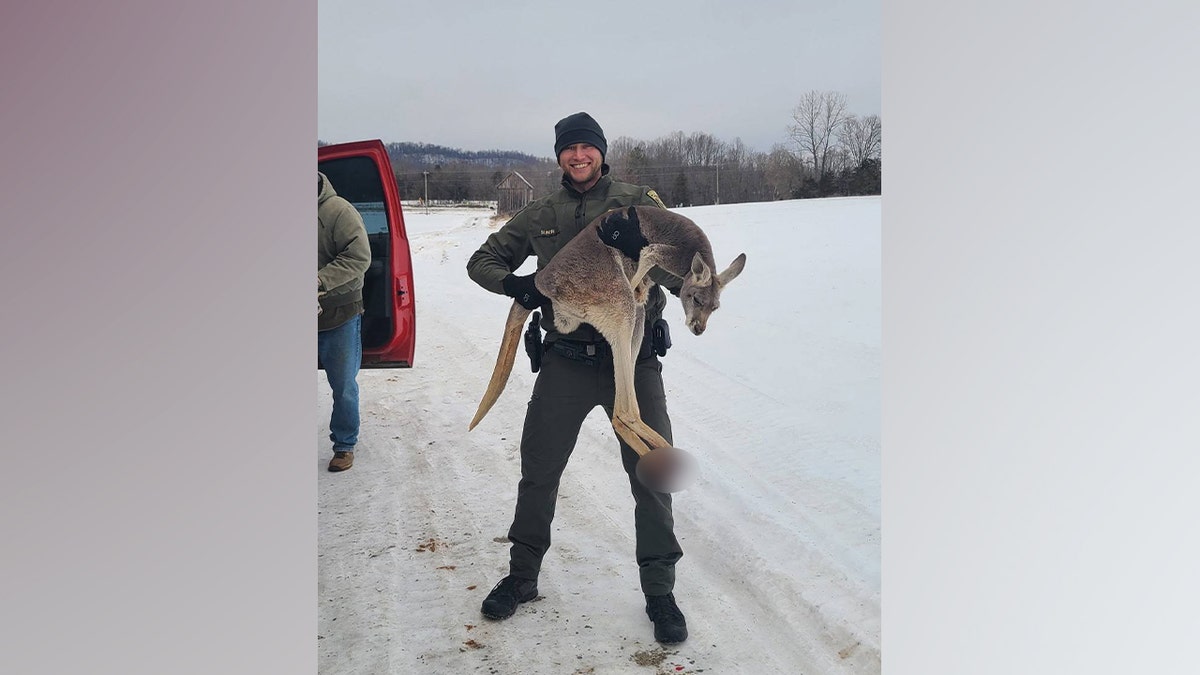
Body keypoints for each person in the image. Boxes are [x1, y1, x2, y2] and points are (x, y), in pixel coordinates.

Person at [466, 112, 689, 644]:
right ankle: (522, 579)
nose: (579, 156)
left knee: (653, 474)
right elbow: (482, 260)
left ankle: (660, 591)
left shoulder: (639, 201)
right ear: (560, 156)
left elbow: (681, 280)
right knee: (539, 468)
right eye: (569, 149)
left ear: (601, 152)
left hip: (632, 363)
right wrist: (517, 287)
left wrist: (641, 246)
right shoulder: (542, 212)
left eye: (587, 148)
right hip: (565, 359)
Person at [318, 171, 371, 472]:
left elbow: (359, 257)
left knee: (343, 385)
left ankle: (344, 444)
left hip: (339, 313)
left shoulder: (339, 211)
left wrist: (319, 281)